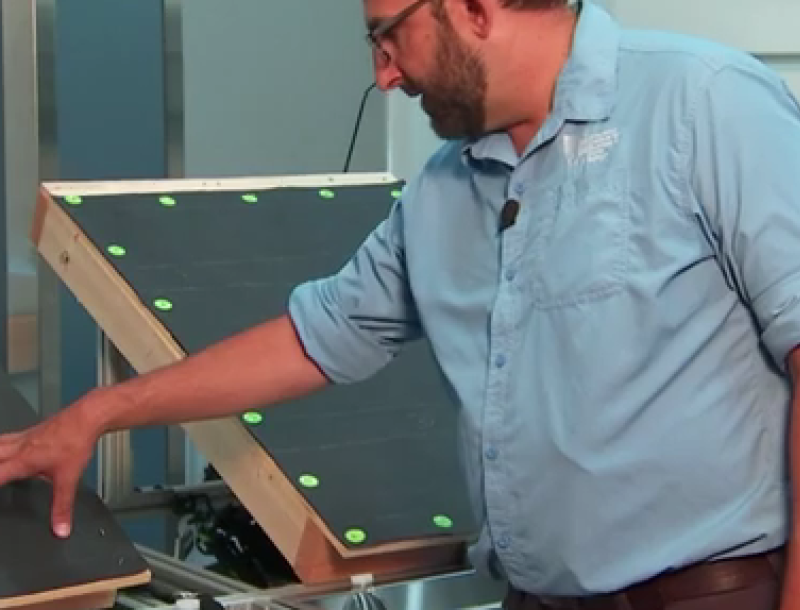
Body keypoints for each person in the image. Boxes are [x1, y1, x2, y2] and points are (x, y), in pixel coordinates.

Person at [2, 0, 800, 607]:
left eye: (389, 37)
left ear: (473, 9)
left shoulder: (704, 103)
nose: (385, 75)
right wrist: (98, 412)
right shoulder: (445, 189)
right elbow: (314, 337)